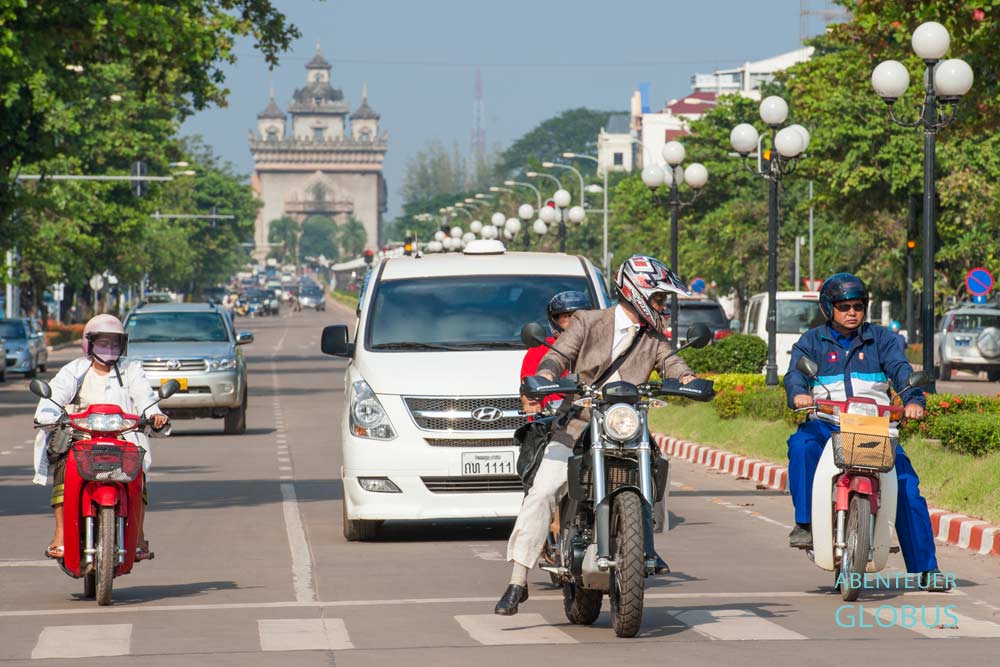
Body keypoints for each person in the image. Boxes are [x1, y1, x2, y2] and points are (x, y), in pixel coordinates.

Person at [496, 255, 697, 615]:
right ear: (636, 293)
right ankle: (518, 579)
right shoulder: (589, 322)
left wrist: (687, 379)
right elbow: (558, 356)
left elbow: (672, 363)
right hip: (578, 421)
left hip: (626, 424)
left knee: (658, 469)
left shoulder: (652, 337)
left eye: (663, 300)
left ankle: (642, 543)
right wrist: (545, 376)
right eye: (658, 299)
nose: (662, 306)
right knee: (543, 490)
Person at [783, 273, 948, 590]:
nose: (852, 312)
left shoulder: (882, 339)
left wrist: (913, 400)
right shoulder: (812, 341)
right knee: (801, 446)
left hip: (874, 426)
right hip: (826, 424)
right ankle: (805, 524)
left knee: (905, 484)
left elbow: (901, 370)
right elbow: (794, 375)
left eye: (858, 306)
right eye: (844, 306)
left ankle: (927, 569)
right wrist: (798, 394)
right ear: (828, 307)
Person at [33, 314, 169, 560]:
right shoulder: (74, 370)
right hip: (80, 439)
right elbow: (54, 395)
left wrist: (155, 414)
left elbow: (145, 398)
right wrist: (48, 414)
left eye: (115, 343)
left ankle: (137, 534)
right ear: (89, 344)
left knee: (139, 475)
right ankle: (61, 534)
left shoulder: (131, 369)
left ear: (123, 345)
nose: (109, 349)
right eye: (103, 343)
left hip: (124, 439)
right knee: (63, 468)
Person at [519, 291, 592, 417]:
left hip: (592, 413)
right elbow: (527, 386)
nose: (573, 321)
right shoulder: (540, 347)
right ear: (555, 320)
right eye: (566, 316)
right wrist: (531, 403)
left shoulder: (600, 346)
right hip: (551, 416)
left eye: (578, 316)